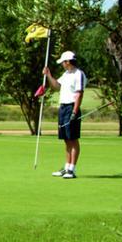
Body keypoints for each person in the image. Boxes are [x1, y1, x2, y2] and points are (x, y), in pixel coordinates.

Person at [43, 51, 87, 179]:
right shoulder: (66, 74)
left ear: (68, 61)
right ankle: (66, 167)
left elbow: (79, 93)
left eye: (63, 62)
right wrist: (48, 75)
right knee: (66, 139)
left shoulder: (79, 74)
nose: (62, 64)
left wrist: (74, 111)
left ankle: (72, 169)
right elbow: (57, 86)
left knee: (73, 139)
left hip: (71, 107)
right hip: (63, 107)